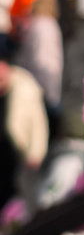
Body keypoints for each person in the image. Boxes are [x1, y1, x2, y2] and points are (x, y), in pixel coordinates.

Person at [0, 45, 49, 210]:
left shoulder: (25, 88)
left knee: (20, 202)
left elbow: (38, 124)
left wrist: (35, 153)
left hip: (18, 157)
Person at [15, 0, 63, 140]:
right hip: (42, 86)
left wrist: (48, 93)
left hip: (40, 87)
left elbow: (43, 61)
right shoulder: (43, 25)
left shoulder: (42, 26)